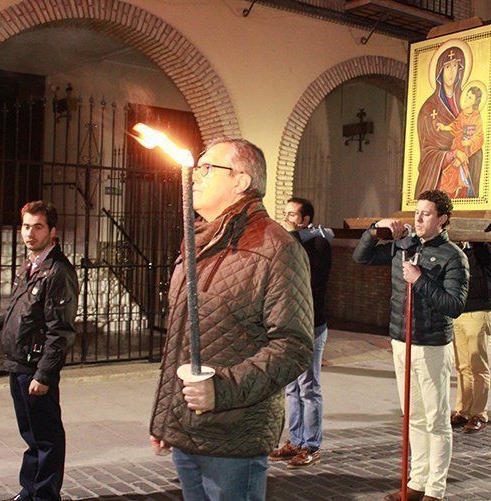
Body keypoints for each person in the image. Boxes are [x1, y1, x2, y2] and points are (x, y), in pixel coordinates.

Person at [149, 138, 314, 501]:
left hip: (233, 432)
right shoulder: (198, 241)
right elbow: (183, 338)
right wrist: (168, 417)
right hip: (188, 428)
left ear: (240, 181)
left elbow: (294, 346)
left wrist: (221, 390)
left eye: (207, 168)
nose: (195, 177)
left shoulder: (276, 248)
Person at [353, 190, 469, 501]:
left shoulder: (453, 256)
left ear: (442, 219)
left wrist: (420, 279)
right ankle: (416, 483)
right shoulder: (403, 247)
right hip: (400, 340)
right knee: (413, 416)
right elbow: (361, 257)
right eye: (416, 212)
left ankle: (435, 489)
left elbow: (454, 305)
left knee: (435, 419)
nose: (418, 219)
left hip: (430, 345)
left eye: (426, 213)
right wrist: (377, 228)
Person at [0, 201, 78, 501]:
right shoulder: (30, 267)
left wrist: (44, 374)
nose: (30, 233)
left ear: (52, 232)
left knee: (47, 438)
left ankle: (44, 495)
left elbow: (61, 331)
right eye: (26, 226)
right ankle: (30, 490)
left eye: (38, 226)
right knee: (31, 436)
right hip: (18, 364)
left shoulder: (57, 272)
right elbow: (21, 316)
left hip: (35, 368)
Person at [269, 197, 332, 468]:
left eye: (292, 215)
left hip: (312, 325)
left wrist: (293, 236)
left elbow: (311, 279)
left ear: (305, 219)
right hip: (289, 326)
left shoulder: (318, 243)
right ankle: (294, 440)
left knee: (308, 387)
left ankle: (311, 446)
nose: (286, 218)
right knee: (291, 387)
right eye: (284, 213)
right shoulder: (287, 242)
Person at [415, 45, 482, 199]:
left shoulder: (465, 103)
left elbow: (475, 134)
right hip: (440, 176)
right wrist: (452, 154)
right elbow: (428, 151)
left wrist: (467, 148)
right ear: (440, 71)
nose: (452, 72)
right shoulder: (428, 108)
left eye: (455, 66)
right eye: (447, 67)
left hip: (464, 166)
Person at [451, 241, 491, 433]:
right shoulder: (456, 249)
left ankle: (479, 413)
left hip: (478, 313)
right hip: (458, 313)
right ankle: (463, 410)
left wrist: (472, 235)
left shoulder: (486, 247)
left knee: (477, 366)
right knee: (462, 366)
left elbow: (484, 252)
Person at [435, 85, 484, 198]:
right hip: (456, 147)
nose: (466, 99)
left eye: (470, 97)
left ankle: (459, 195)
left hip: (467, 150)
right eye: (467, 96)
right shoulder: (462, 114)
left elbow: (479, 136)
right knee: (448, 173)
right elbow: (455, 126)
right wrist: (443, 127)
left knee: (455, 173)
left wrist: (469, 142)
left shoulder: (476, 117)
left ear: (475, 101)